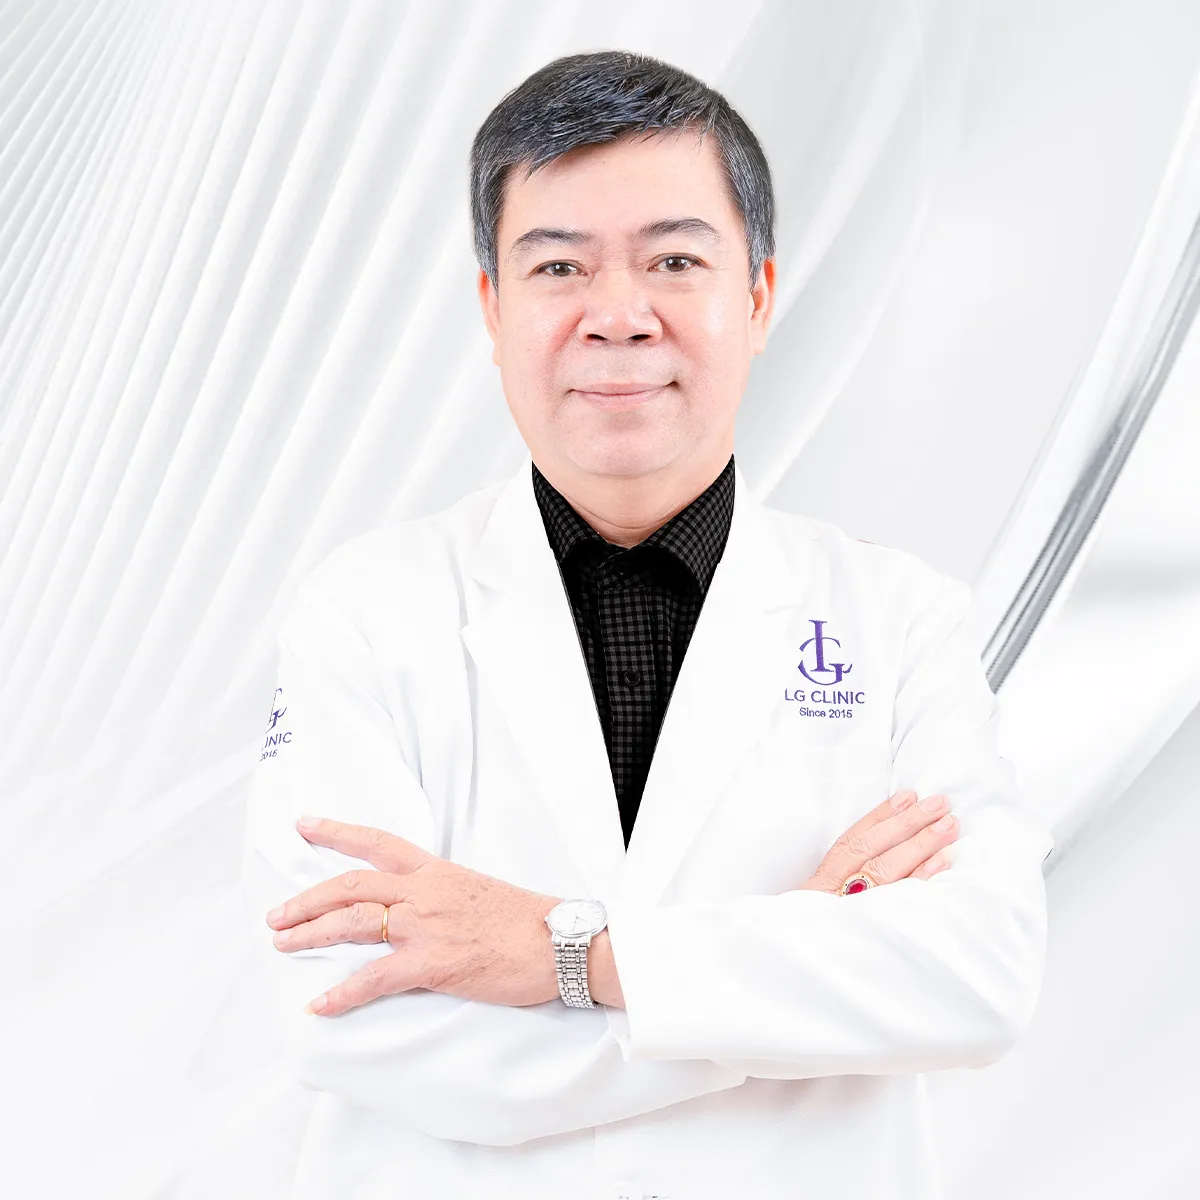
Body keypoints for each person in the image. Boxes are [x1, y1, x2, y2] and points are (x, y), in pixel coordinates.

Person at [242, 49, 1054, 1200]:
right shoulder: (364, 615)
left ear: (757, 296)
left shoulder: (899, 618)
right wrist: (795, 965)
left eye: (675, 260)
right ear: (493, 307)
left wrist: (561, 954)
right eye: (559, 267)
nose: (619, 317)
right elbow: (348, 1015)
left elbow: (978, 975)